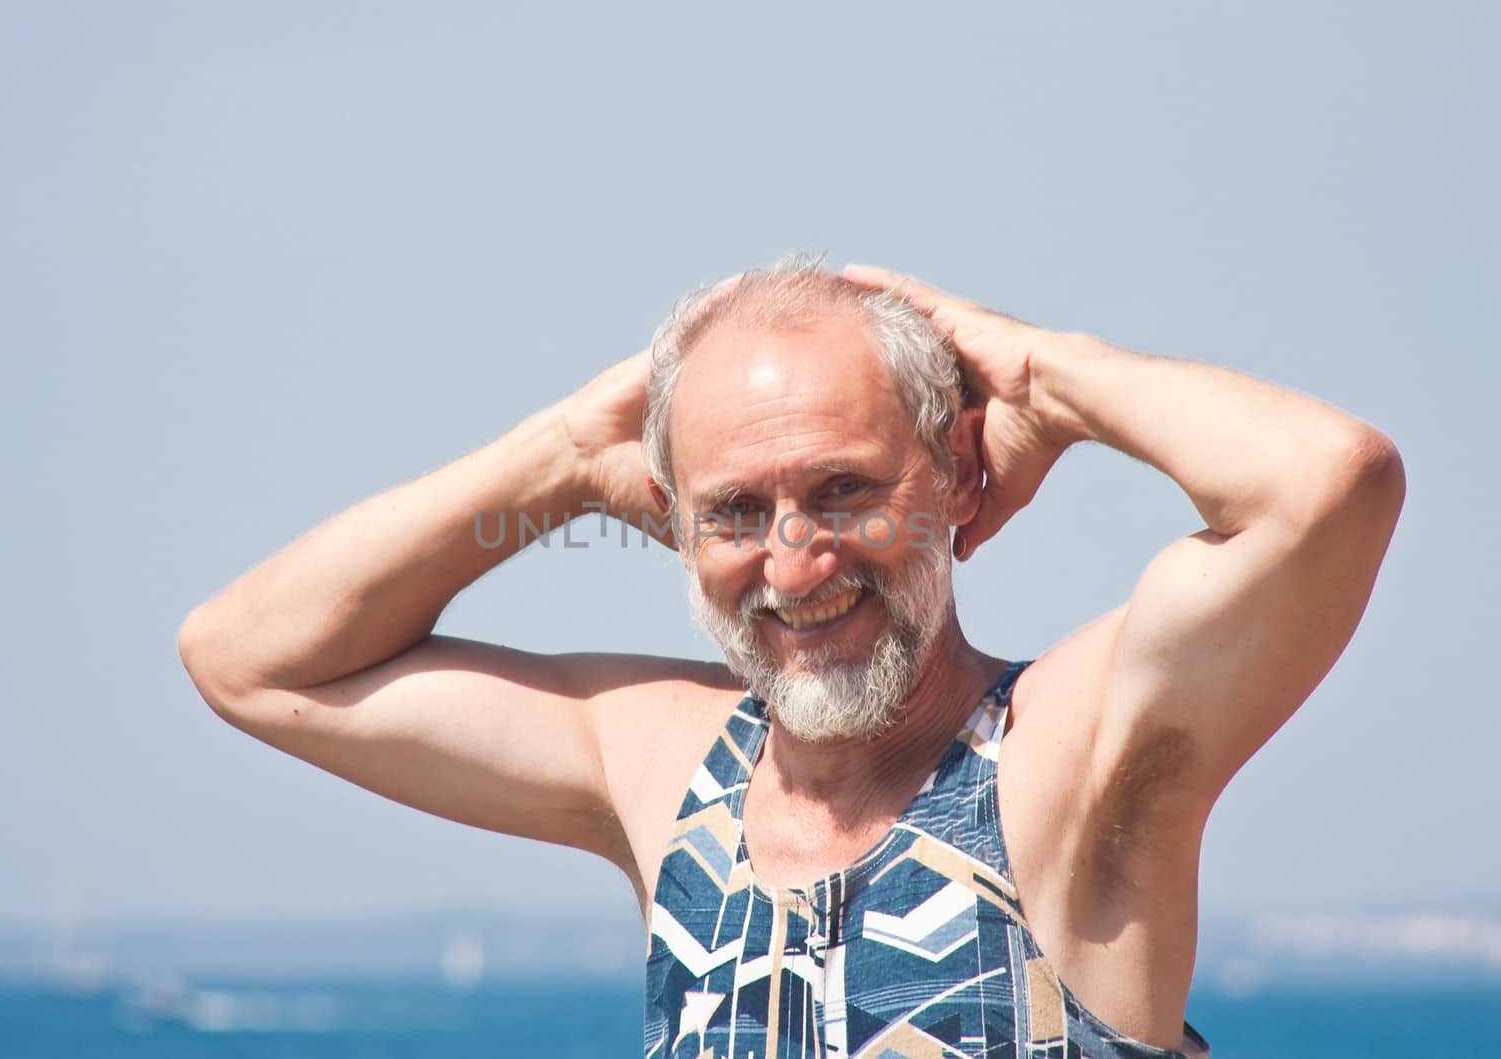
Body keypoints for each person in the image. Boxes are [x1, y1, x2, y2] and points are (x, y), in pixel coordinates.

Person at [178, 254, 1405, 1058]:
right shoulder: (668, 773)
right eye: (733, 512)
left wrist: (1041, 373)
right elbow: (251, 658)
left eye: (843, 490)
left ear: (960, 478)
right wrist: (555, 455)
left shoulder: (1066, 757)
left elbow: (1325, 484)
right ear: (671, 521)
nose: (795, 559)